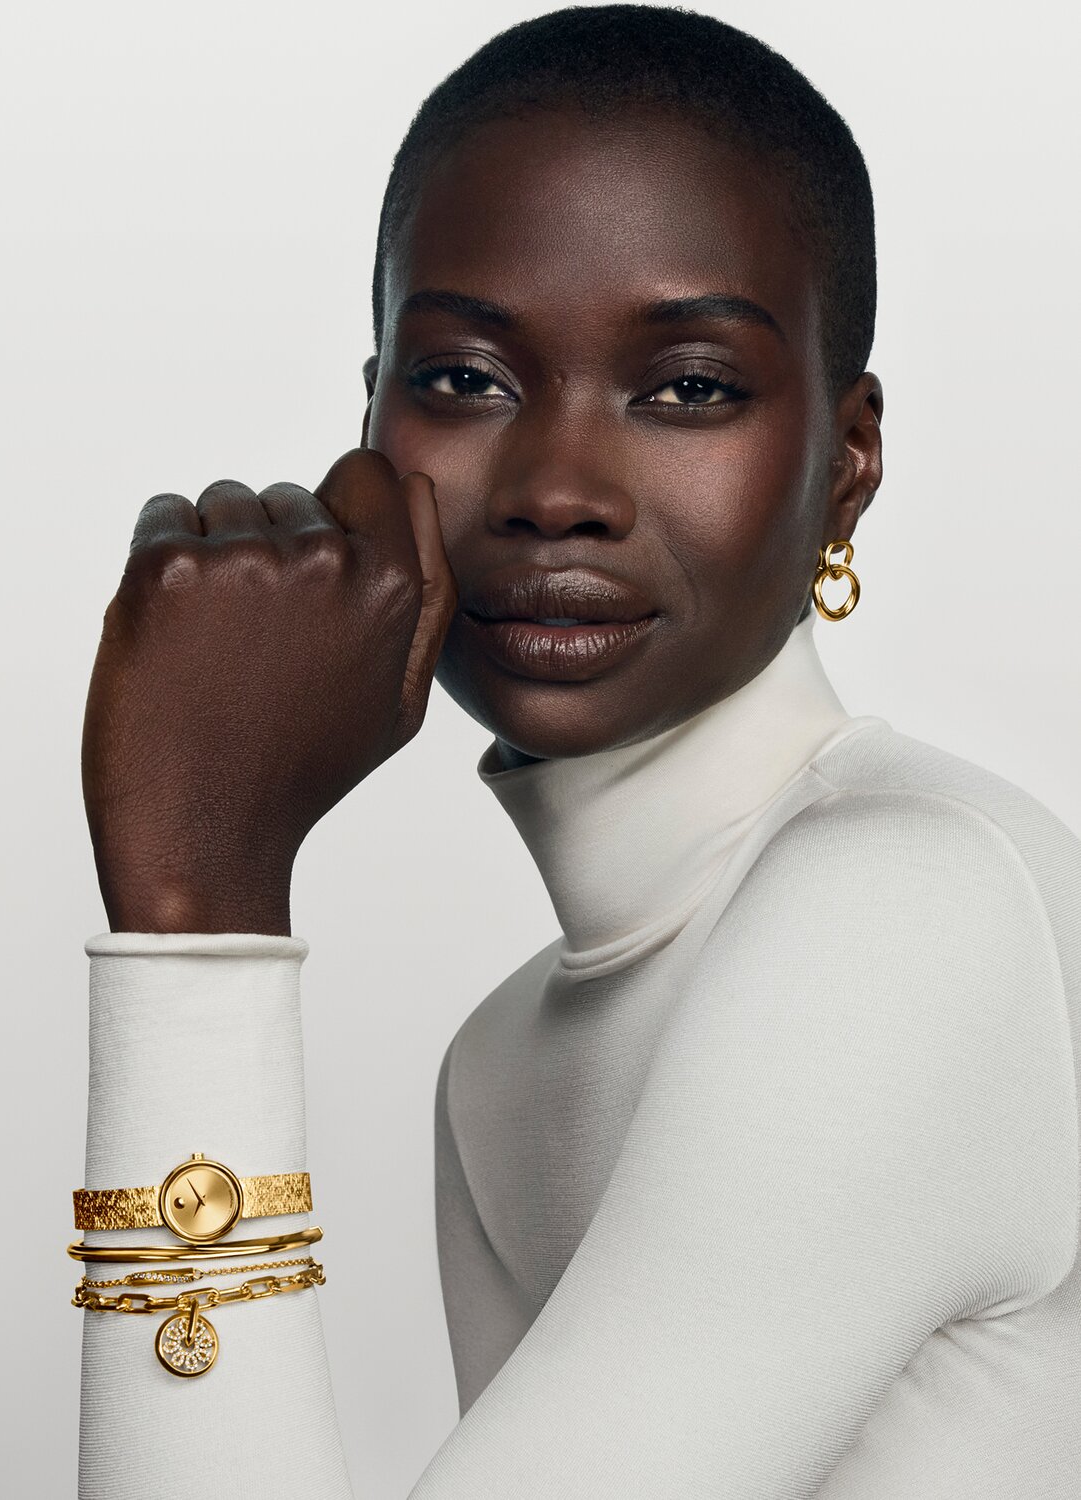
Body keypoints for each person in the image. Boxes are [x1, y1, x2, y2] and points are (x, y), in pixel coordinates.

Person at [71, 6, 1081, 1496]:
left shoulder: (915, 909)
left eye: (689, 388)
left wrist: (198, 912)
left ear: (846, 467)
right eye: (469, 380)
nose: (556, 491)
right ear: (368, 423)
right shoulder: (499, 1066)